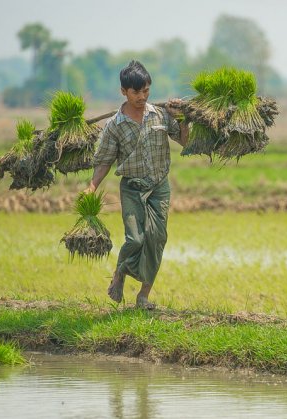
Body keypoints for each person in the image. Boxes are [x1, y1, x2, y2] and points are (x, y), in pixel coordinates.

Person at [84, 60, 189, 309]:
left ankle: (143, 296)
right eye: (136, 92)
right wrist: (91, 187)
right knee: (135, 239)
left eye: (146, 91)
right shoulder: (115, 126)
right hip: (132, 187)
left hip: (159, 186)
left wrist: (183, 119)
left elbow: (185, 142)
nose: (142, 97)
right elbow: (104, 161)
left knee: (157, 238)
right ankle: (120, 273)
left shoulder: (160, 114)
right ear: (124, 91)